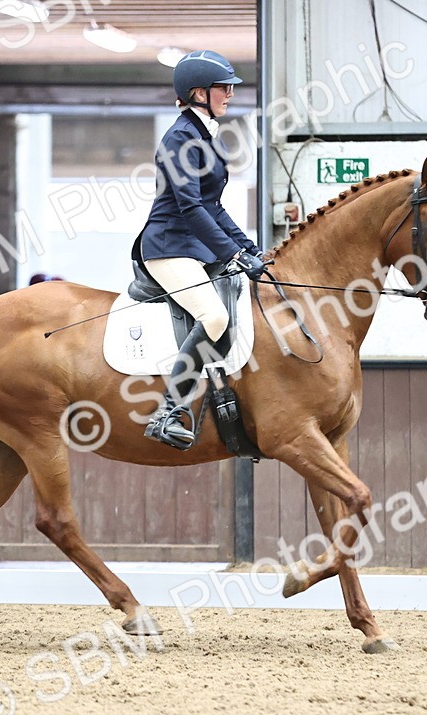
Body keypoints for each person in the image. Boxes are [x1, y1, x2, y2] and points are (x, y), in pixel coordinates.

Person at [137, 49, 266, 450]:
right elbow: (191, 207)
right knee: (213, 316)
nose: (229, 94)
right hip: (168, 245)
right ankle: (168, 411)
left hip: (194, 244)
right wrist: (230, 255)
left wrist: (249, 249)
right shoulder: (180, 138)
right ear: (198, 93)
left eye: (229, 87)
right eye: (223, 87)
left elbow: (213, 205)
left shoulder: (204, 133)